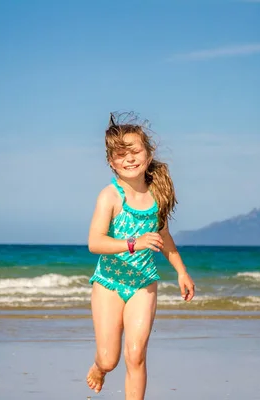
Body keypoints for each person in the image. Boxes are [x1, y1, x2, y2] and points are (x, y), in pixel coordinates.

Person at [85, 112, 195, 399]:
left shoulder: (157, 195)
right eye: (120, 155)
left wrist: (181, 272)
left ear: (147, 154)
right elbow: (95, 242)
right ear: (111, 162)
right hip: (109, 283)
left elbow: (164, 237)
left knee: (135, 355)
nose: (129, 159)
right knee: (110, 358)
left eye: (134, 151)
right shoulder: (109, 196)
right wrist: (133, 242)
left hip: (143, 284)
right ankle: (99, 367)